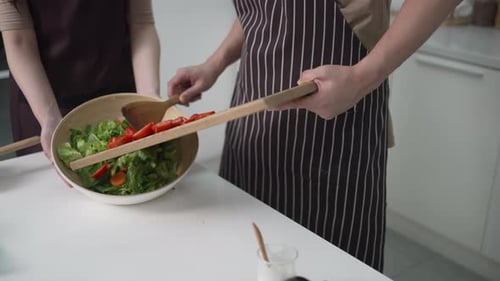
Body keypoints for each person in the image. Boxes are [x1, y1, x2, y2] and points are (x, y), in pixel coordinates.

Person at [168, 0, 459, 272]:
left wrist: (361, 78)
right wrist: (215, 62)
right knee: (245, 262)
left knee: (329, 269)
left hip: (334, 139)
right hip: (251, 134)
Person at [0, 0, 160, 159]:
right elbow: (19, 41)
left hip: (118, 96)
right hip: (44, 102)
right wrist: (49, 118)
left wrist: (148, 97)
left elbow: (141, 24)